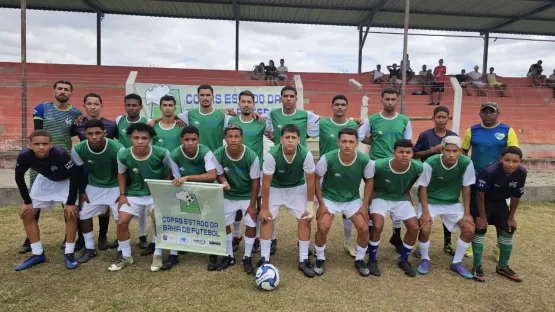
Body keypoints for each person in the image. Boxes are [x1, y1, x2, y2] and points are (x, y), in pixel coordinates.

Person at [20, 80, 83, 255]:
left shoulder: (76, 112)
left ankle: (68, 238)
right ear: (54, 90)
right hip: (39, 161)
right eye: (60, 88)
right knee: (34, 201)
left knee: (68, 202)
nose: (63, 91)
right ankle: (29, 240)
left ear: (71, 93)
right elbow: (37, 134)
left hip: (63, 161)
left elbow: (76, 132)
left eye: (66, 90)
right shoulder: (41, 108)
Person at [108, 123, 179, 272]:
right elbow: (121, 174)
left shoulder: (162, 152)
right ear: (130, 138)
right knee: (121, 221)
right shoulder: (123, 155)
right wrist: (122, 195)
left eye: (144, 138)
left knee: (157, 220)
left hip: (156, 193)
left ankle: (158, 254)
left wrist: (165, 184)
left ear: (150, 139)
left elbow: (173, 168)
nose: (140, 141)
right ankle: (126, 256)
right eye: (136, 138)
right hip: (134, 193)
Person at [14, 130, 81, 270]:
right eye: (37, 144)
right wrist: (27, 201)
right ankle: (37, 253)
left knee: (71, 213)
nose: (41, 147)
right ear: (30, 145)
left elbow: (74, 176)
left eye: (45, 144)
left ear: (51, 145)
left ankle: (69, 253)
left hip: (65, 181)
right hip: (45, 180)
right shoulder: (24, 156)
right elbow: (19, 177)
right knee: (27, 213)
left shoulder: (60, 154)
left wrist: (69, 203)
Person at [462, 101, 519, 261]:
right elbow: (464, 152)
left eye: (491, 111)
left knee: (501, 215)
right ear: (480, 113)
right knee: (476, 214)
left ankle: (499, 247)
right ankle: (473, 246)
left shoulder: (507, 131)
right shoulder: (472, 131)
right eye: (485, 111)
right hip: (476, 180)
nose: (488, 114)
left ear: (497, 113)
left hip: (500, 181)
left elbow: (514, 155)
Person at [358, 88, 412, 254]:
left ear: (397, 100)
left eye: (393, 99)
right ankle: (370, 235)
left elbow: (407, 142)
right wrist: (374, 142)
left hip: (397, 166)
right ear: (382, 100)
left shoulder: (404, 120)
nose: (390, 102)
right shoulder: (373, 119)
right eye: (387, 99)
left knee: (396, 197)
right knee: (373, 198)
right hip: (376, 165)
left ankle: (396, 235)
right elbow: (360, 136)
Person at [314, 128, 374, 276]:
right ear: (338, 142)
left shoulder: (365, 160)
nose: (347, 145)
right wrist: (321, 204)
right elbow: (315, 179)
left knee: (364, 229)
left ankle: (359, 259)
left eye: (351, 142)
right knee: (323, 227)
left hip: (352, 199)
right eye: (344, 141)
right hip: (330, 198)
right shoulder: (327, 158)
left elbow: (370, 182)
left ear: (356, 144)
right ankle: (320, 257)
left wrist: (365, 205)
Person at [259, 124, 316, 278]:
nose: (290, 141)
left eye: (293, 138)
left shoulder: (306, 154)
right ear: (281, 139)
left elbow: (311, 182)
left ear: (299, 140)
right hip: (275, 187)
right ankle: (264, 258)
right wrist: (264, 208)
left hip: (297, 187)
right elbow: (265, 183)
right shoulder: (272, 154)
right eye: (287, 137)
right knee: (267, 218)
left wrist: (310, 206)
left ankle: (303, 258)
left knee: (305, 218)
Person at [416, 136, 476, 279]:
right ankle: (425, 259)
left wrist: (467, 213)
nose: (451, 154)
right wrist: (425, 212)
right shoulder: (430, 162)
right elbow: (422, 188)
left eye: (455, 151)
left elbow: (466, 187)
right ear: (441, 150)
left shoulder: (466, 163)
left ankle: (457, 262)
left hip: (452, 203)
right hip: (430, 201)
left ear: (460, 151)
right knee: (425, 227)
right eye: (447, 150)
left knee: (469, 228)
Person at [163, 126, 217, 270]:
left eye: (193, 139)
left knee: (212, 219)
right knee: (185, 216)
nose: (190, 143)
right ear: (182, 140)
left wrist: (187, 177)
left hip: (207, 187)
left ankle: (213, 253)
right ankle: (176, 251)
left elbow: (212, 175)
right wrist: (181, 180)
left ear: (198, 140)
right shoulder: (174, 154)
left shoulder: (205, 151)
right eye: (187, 140)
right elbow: (176, 177)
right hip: (188, 190)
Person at [71, 120, 124, 263]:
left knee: (121, 217)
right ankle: (89, 248)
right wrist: (82, 191)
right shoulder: (78, 149)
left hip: (115, 186)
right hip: (94, 185)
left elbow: (125, 172)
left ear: (104, 133)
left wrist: (123, 193)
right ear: (85, 134)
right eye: (90, 134)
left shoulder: (117, 148)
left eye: (98, 133)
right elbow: (78, 171)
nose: (94, 137)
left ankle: (123, 249)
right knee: (83, 214)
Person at [367, 139, 422, 277]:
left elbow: (414, 178)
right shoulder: (378, 165)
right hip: (380, 197)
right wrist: (370, 196)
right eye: (401, 152)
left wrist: (406, 191)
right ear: (394, 153)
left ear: (412, 154)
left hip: (399, 198)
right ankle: (372, 259)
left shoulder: (418, 167)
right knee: (378, 226)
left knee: (414, 227)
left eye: (408, 152)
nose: (405, 155)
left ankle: (403, 259)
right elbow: (367, 178)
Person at [71, 93, 119, 251]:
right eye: (89, 104)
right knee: (83, 210)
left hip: (109, 173)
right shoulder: (77, 123)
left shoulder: (111, 125)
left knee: (105, 209)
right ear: (84, 105)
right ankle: (83, 242)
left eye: (96, 104)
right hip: (88, 173)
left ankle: (103, 236)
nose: (92, 107)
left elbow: (119, 147)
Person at [471, 147, 526, 282]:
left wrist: (511, 217)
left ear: (520, 162)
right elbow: (479, 194)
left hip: (499, 201)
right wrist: (482, 217)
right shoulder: (489, 171)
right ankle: (477, 266)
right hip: (481, 200)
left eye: (515, 161)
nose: (511, 164)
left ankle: (502, 266)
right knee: (480, 227)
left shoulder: (522, 173)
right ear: (501, 159)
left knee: (509, 228)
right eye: (507, 160)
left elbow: (516, 196)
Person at [226, 90, 272, 254]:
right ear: (238, 103)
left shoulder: (261, 122)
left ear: (253, 104)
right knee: (236, 205)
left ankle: (258, 237)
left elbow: (273, 134)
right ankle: (237, 235)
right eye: (243, 101)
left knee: (257, 205)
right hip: (235, 170)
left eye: (249, 102)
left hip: (256, 170)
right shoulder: (231, 120)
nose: (246, 104)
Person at [212, 124, 260, 272]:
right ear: (225, 138)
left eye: (236, 136)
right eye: (230, 136)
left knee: (251, 224)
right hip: (229, 195)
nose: (233, 140)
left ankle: (247, 257)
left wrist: (252, 205)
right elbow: (219, 174)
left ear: (242, 138)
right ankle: (229, 256)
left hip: (247, 195)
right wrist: (223, 181)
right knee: (224, 224)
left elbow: (255, 182)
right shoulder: (218, 154)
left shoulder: (252, 156)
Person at [413, 106, 458, 255]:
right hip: (429, 177)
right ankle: (420, 246)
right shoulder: (426, 135)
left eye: (443, 117)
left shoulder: (453, 136)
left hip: (447, 179)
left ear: (447, 118)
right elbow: (415, 154)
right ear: (433, 118)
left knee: (447, 211)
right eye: (438, 117)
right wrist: (432, 151)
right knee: (425, 214)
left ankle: (447, 243)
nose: (440, 120)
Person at [318, 94, 359, 257]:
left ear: (347, 107)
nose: (340, 107)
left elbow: (362, 139)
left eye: (343, 104)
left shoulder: (354, 125)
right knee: (323, 211)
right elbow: (303, 133)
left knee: (347, 207)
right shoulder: (322, 124)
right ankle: (321, 245)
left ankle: (348, 242)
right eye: (337, 104)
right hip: (326, 172)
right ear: (332, 106)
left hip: (347, 171)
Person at [115, 93, 151, 252]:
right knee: (128, 200)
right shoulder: (119, 120)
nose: (131, 108)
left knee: (143, 200)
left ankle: (142, 235)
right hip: (126, 164)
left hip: (143, 164)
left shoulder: (146, 122)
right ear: (124, 106)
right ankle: (121, 237)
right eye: (128, 105)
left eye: (134, 105)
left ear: (140, 107)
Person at [177, 85, 232, 152]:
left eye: (208, 95)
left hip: (215, 158)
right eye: (202, 95)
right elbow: (170, 117)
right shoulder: (189, 114)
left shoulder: (222, 115)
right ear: (198, 97)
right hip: (196, 158)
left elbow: (240, 121)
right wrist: (178, 120)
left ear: (213, 97)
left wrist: (235, 114)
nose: (205, 98)